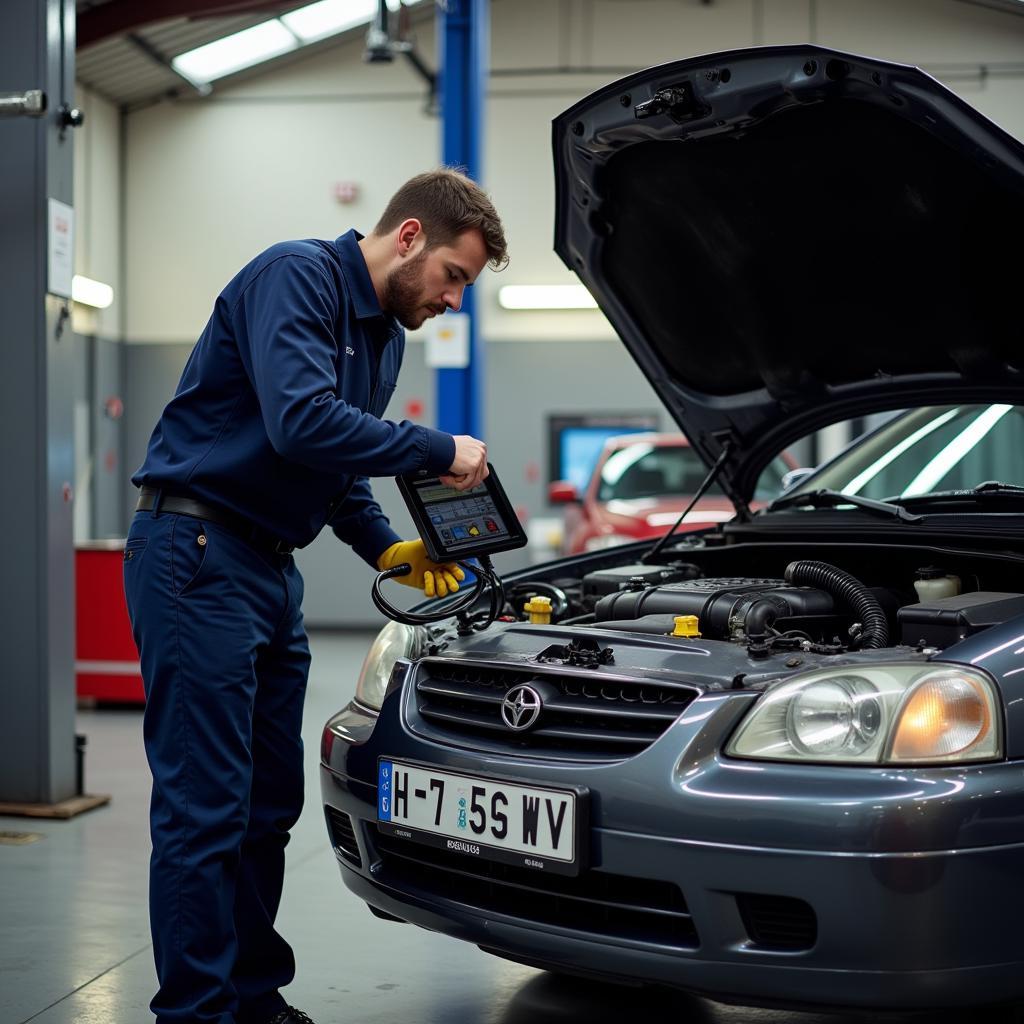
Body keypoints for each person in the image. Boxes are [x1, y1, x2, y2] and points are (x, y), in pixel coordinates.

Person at [123, 167, 508, 1024]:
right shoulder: (295, 276)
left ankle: (253, 998)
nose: (453, 300)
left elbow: (329, 466)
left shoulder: (385, 338)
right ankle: (195, 1013)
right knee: (205, 806)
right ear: (408, 237)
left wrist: (390, 547)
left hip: (265, 569)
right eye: (454, 276)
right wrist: (437, 447)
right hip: (195, 553)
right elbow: (302, 420)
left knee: (266, 807)